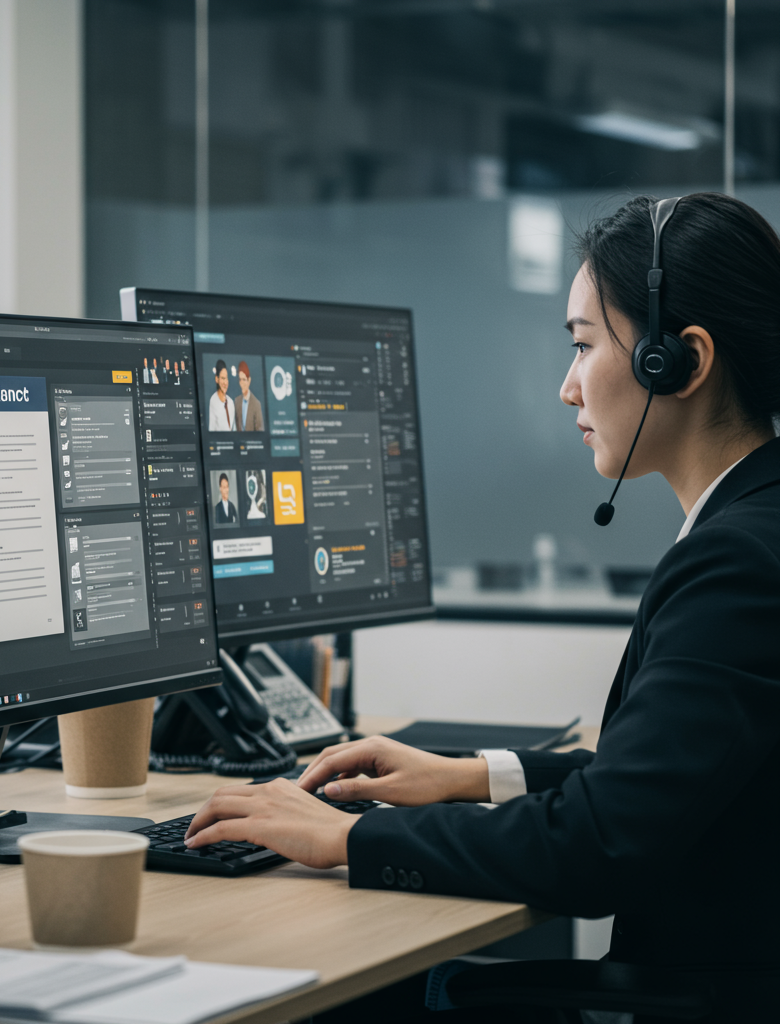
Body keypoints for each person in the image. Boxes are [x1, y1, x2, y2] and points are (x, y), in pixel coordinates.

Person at [184, 193, 780, 1021]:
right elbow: (659, 786)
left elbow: (601, 843)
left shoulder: (736, 562)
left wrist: (347, 837)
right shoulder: (753, 524)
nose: (567, 388)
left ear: (678, 360)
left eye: (583, 346)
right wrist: (465, 776)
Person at [208, 358, 235, 431]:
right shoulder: (213, 401)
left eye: (226, 378)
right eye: (223, 378)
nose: (225, 383)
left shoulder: (231, 402)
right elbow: (211, 429)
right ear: (217, 379)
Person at [236, 360, 264, 431]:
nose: (242, 383)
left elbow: (259, 430)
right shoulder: (237, 401)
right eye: (240, 380)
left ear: (249, 380)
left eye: (244, 379)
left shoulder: (256, 404)